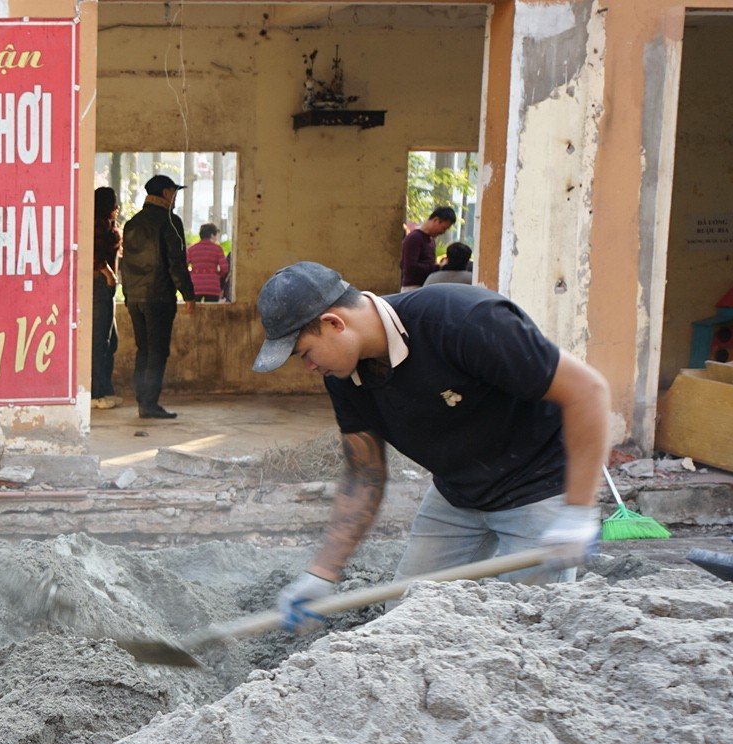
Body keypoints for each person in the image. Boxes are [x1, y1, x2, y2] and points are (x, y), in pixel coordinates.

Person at [250, 262, 610, 630]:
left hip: (538, 487)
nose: (308, 367)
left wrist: (579, 510)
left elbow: (587, 391)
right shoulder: (346, 375)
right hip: (457, 495)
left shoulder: (462, 320)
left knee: (528, 625)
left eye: (305, 353)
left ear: (334, 323)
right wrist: (323, 573)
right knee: (404, 620)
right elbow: (364, 473)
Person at [118, 174, 197, 419]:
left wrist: (130, 293)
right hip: (159, 297)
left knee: (144, 349)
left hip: (134, 297)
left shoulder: (132, 223)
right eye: (174, 192)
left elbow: (125, 265)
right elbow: (176, 262)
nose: (175, 197)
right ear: (165, 193)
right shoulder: (170, 222)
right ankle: (150, 404)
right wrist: (188, 294)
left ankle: (143, 401)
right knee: (158, 351)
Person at [91, 186, 123, 409]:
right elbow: (91, 253)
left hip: (106, 288)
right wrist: (107, 273)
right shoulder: (96, 226)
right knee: (99, 341)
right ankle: (94, 394)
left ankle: (105, 389)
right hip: (100, 286)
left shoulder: (106, 224)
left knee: (110, 342)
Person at [400, 206, 456, 291]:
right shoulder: (414, 238)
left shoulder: (430, 240)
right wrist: (438, 267)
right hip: (413, 289)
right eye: (444, 228)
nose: (443, 232)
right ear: (436, 220)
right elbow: (410, 267)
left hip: (425, 287)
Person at [188, 224, 231, 302]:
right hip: (212, 286)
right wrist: (216, 275)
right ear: (212, 235)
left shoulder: (192, 249)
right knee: (212, 312)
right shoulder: (217, 249)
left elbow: (182, 267)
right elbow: (224, 268)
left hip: (195, 286)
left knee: (194, 312)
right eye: (215, 235)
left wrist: (191, 274)